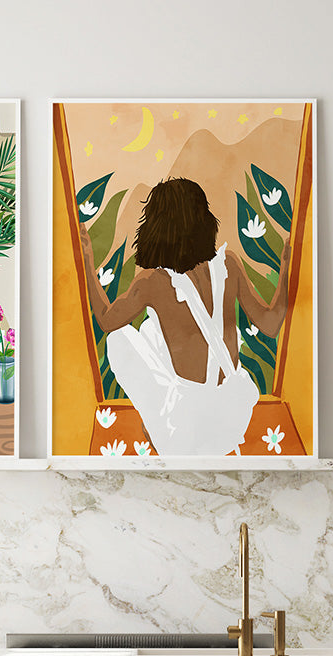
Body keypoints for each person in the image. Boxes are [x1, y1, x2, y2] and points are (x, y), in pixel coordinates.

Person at [79, 177, 290, 456]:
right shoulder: (230, 264)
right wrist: (287, 264)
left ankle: (156, 426)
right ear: (204, 222)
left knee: (121, 337)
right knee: (158, 331)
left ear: (157, 227)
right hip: (234, 419)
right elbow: (271, 324)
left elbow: (106, 320)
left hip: (183, 431)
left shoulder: (151, 282)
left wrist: (87, 260)